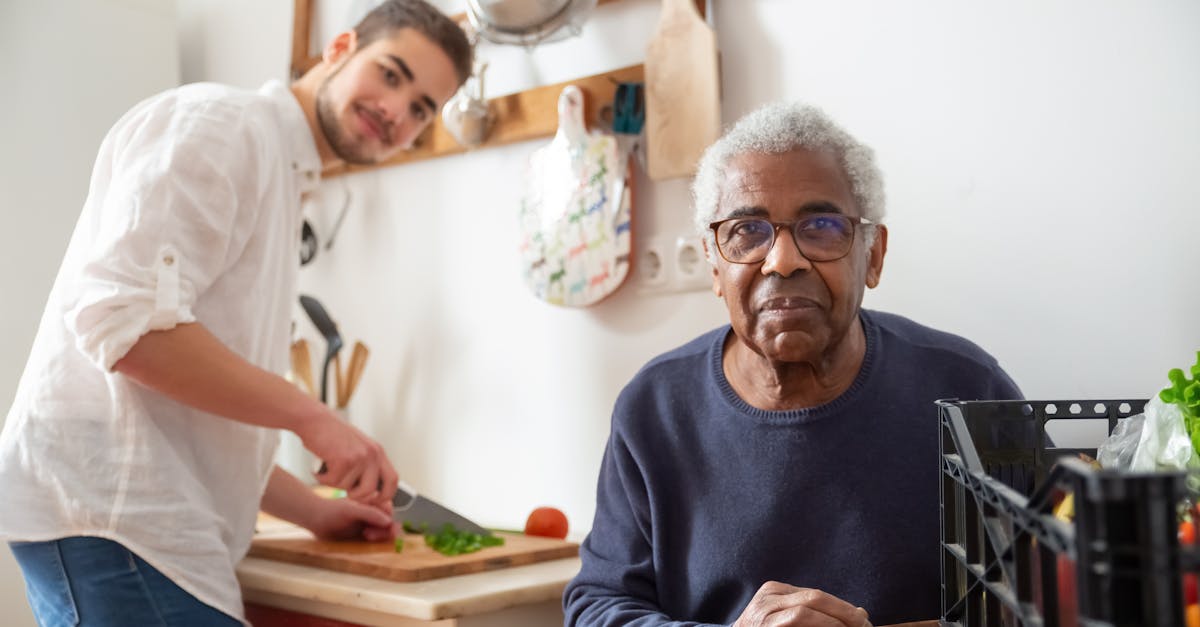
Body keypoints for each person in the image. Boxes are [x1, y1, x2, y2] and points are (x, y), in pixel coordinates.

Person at [0, 1, 471, 625]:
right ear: (337, 49)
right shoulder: (225, 125)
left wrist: (311, 509)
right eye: (390, 74)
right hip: (120, 527)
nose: (396, 111)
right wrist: (315, 418)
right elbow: (126, 327)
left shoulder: (278, 170)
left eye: (422, 109)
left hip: (150, 536)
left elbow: (189, 414)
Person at [563, 102, 1023, 627]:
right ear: (714, 266)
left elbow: (1046, 584)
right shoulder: (655, 408)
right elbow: (596, 607)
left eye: (821, 226)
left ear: (873, 255)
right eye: (746, 231)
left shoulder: (966, 387)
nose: (783, 260)